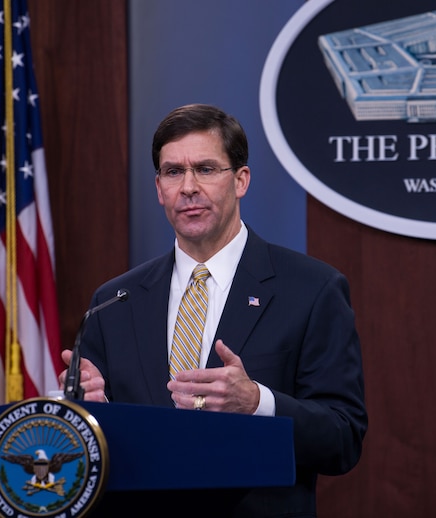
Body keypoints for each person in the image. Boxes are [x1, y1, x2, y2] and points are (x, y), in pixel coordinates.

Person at [59, 103, 367, 517]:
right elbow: (95, 454)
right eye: (173, 172)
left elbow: (343, 438)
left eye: (205, 169)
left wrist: (258, 402)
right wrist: (89, 413)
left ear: (241, 180)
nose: (188, 187)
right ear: (158, 188)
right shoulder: (114, 302)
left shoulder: (311, 289)